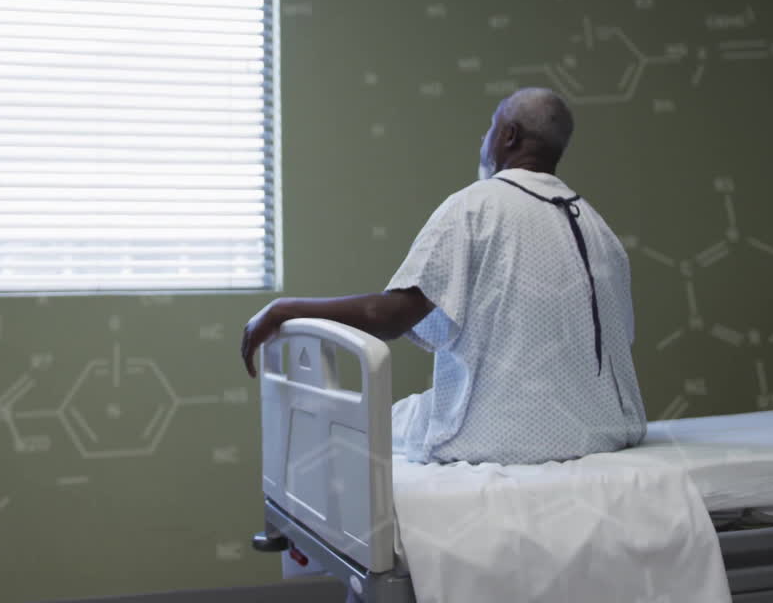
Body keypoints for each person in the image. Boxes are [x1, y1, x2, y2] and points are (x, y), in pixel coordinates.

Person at [240, 88, 646, 465]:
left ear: (508, 135)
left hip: (500, 437)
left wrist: (284, 309)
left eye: (490, 126)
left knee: (353, 428)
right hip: (606, 430)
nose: (482, 139)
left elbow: (392, 315)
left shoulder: (476, 206)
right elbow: (619, 338)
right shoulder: (599, 229)